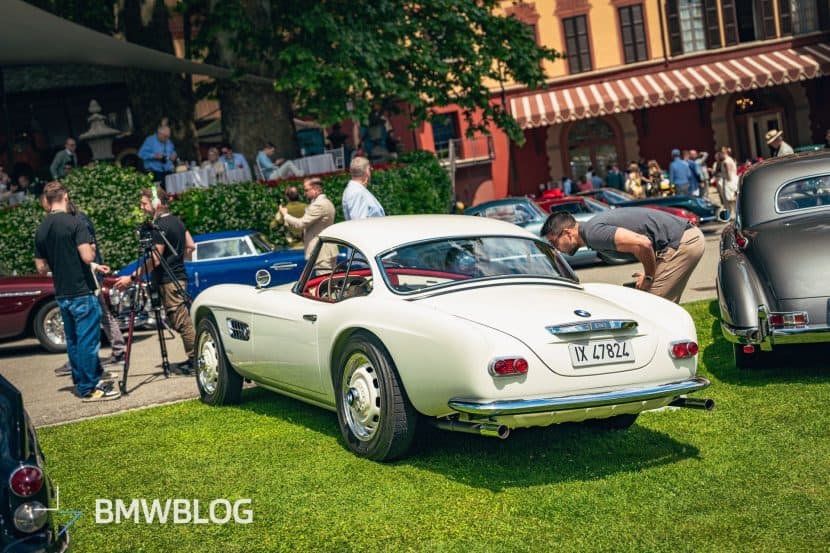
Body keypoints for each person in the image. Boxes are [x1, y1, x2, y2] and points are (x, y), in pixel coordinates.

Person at [35, 182, 120, 401]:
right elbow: (86, 256)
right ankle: (89, 387)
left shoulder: (42, 228)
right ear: (65, 196)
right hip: (82, 290)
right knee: (88, 341)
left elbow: (41, 268)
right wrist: (91, 252)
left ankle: (80, 381)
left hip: (62, 292)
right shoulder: (75, 223)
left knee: (72, 341)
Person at [543, 207, 705, 303]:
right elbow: (643, 243)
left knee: (654, 304)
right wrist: (651, 271)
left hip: (683, 241)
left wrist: (649, 276)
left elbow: (643, 243)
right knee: (654, 301)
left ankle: (676, 349)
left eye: (554, 242)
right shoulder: (591, 232)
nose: (556, 248)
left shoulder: (593, 233)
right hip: (681, 240)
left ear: (567, 233)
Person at [115, 187, 196, 374]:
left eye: (144, 203)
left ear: (156, 203)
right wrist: (175, 259)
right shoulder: (177, 221)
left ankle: (196, 362)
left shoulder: (160, 226)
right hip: (177, 276)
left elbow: (156, 259)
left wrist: (133, 277)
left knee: (181, 322)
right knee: (178, 320)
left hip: (169, 280)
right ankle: (194, 358)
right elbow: (191, 246)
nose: (142, 207)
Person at [279, 178, 338, 269]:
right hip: (326, 250)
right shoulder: (326, 202)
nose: (304, 193)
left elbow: (301, 224)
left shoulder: (318, 205)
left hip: (321, 253)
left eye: (306, 190)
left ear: (316, 189)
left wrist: (285, 215)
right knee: (328, 281)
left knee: (324, 281)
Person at [719, 146, 739, 221]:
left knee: (730, 200)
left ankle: (732, 215)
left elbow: (729, 173)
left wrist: (730, 185)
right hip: (734, 179)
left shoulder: (726, 161)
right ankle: (733, 214)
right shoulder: (731, 159)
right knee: (733, 200)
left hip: (729, 181)